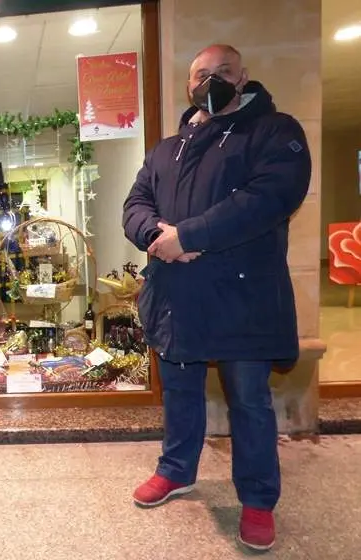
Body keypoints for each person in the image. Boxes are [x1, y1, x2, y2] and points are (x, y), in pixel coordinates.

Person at [122, 44, 311, 552]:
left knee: (248, 401)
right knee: (180, 392)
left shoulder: (275, 132)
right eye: (201, 75)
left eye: (222, 72)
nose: (211, 81)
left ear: (243, 76)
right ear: (189, 86)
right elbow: (136, 203)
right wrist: (155, 237)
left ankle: (256, 501)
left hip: (242, 296)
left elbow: (269, 199)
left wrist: (188, 236)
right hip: (176, 296)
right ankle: (176, 470)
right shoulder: (167, 149)